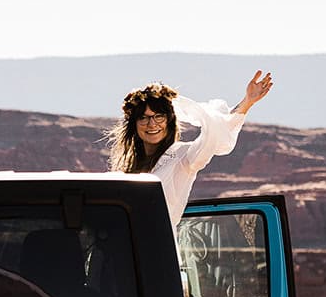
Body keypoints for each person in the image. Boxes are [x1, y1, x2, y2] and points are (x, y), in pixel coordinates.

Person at [106, 72, 274, 231]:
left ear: (169, 121)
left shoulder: (184, 157)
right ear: (134, 124)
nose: (152, 124)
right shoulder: (128, 166)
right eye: (143, 117)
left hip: (157, 249)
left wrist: (246, 102)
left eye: (159, 116)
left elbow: (213, 134)